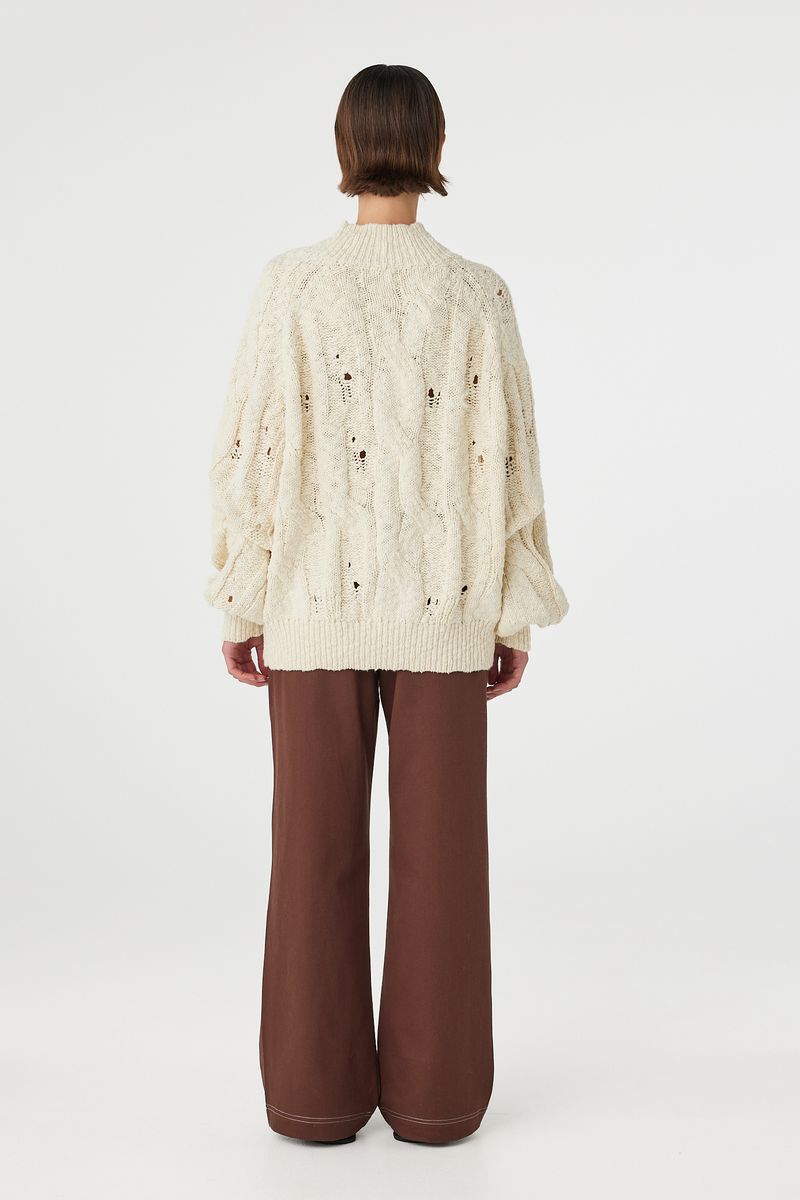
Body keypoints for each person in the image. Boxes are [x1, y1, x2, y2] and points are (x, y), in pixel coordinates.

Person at [204, 63, 569, 1147]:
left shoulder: (290, 285)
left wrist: (245, 599)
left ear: (343, 147)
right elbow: (513, 468)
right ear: (435, 146)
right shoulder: (477, 294)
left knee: (310, 858)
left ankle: (313, 1102)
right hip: (447, 616)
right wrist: (508, 613)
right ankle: (436, 1103)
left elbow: (251, 452)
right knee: (442, 866)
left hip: (309, 611)